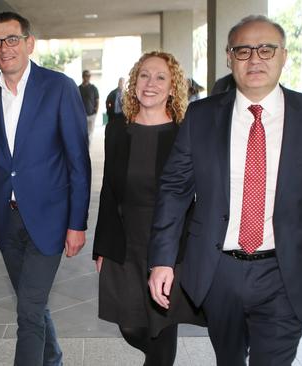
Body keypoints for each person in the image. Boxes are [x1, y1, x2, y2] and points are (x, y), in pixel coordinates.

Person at [148, 15, 302, 366]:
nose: (255, 59)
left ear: (283, 56)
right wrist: (162, 259)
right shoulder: (201, 116)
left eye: (266, 49)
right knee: (229, 358)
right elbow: (174, 190)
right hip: (218, 271)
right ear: (229, 58)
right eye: (243, 51)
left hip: (285, 272)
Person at [0, 11, 91, 366]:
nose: (4, 48)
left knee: (28, 312)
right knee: (30, 303)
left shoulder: (59, 87)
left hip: (50, 219)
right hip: (8, 220)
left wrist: (77, 223)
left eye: (12, 39)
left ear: (29, 43)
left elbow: (78, 161)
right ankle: (54, 359)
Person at [93, 51, 204, 366]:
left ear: (172, 87)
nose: (150, 83)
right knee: (128, 325)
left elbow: (198, 194)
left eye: (160, 77)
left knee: (162, 327)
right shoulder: (116, 129)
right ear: (133, 82)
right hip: (125, 242)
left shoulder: (185, 132)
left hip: (171, 244)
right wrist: (102, 246)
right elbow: (109, 191)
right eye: (144, 75)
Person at [79, 69, 99, 142]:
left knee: (89, 134)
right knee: (81, 133)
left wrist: (96, 111)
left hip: (91, 115)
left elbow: (97, 100)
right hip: (81, 115)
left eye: (89, 76)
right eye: (86, 76)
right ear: (83, 76)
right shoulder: (78, 88)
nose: (88, 77)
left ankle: (87, 150)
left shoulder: (93, 88)